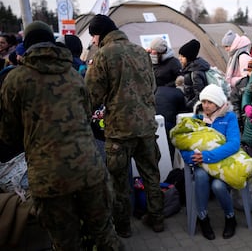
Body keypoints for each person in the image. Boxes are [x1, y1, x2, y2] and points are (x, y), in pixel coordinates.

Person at [0, 21, 124, 250]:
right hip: (90, 167)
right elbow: (86, 114)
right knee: (105, 233)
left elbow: (8, 135)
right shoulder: (73, 74)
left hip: (49, 178)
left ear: (25, 45)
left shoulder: (15, 80)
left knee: (66, 242)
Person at [85, 14, 164, 236]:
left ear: (99, 35)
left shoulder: (102, 56)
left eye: (92, 36)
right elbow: (152, 86)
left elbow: (91, 97)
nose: (92, 41)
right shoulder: (141, 51)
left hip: (119, 132)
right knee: (151, 175)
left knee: (119, 182)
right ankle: (157, 220)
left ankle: (123, 227)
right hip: (146, 127)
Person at [179, 84, 240, 240]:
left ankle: (230, 217)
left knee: (218, 186)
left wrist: (207, 156)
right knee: (200, 176)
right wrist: (191, 157)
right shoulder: (197, 118)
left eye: (210, 102)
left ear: (219, 102)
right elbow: (183, 143)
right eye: (204, 101)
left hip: (223, 164)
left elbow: (234, 144)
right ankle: (203, 218)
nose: (205, 105)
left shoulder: (229, 117)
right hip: (201, 165)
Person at [178, 39, 209, 111]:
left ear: (189, 57)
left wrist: (188, 106)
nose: (179, 58)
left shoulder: (195, 73)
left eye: (182, 56)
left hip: (195, 108)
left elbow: (199, 95)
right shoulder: (191, 69)